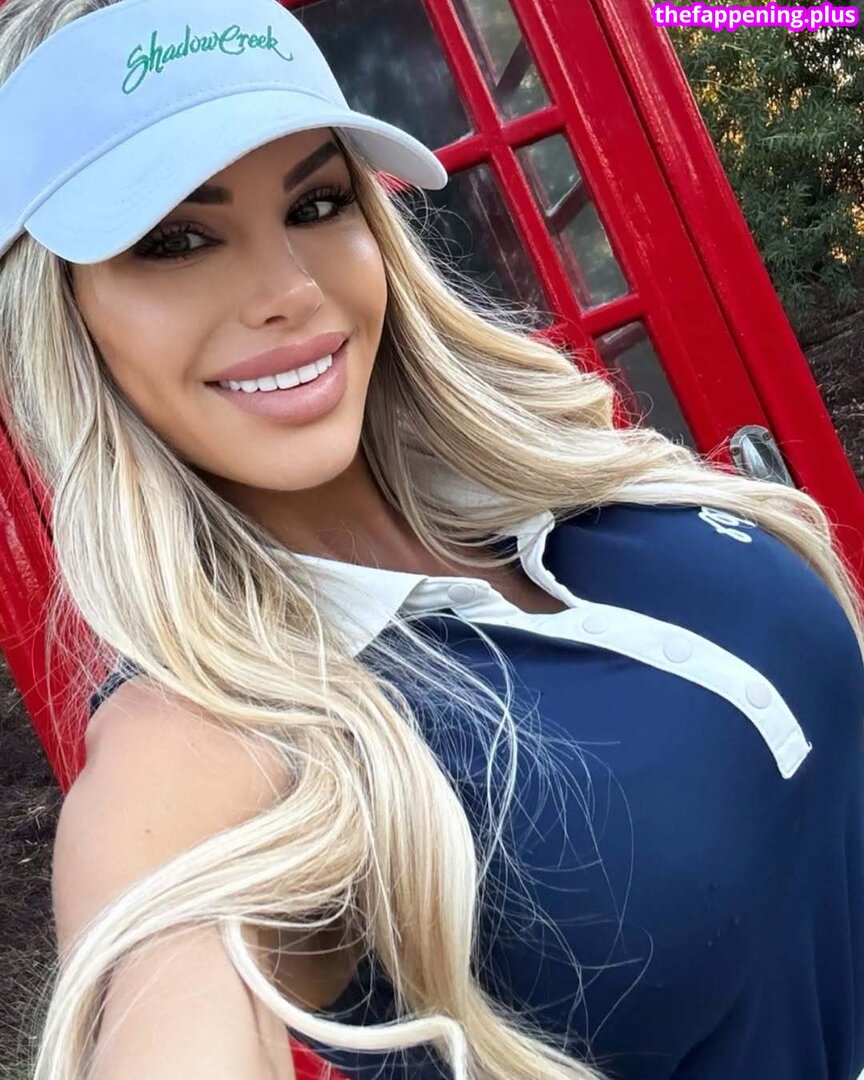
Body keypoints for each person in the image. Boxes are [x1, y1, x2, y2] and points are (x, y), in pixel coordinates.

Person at [1, 0, 862, 1078]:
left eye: (317, 203)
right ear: (62, 320)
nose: (290, 291)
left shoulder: (556, 484)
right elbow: (162, 978)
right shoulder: (207, 738)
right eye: (176, 241)